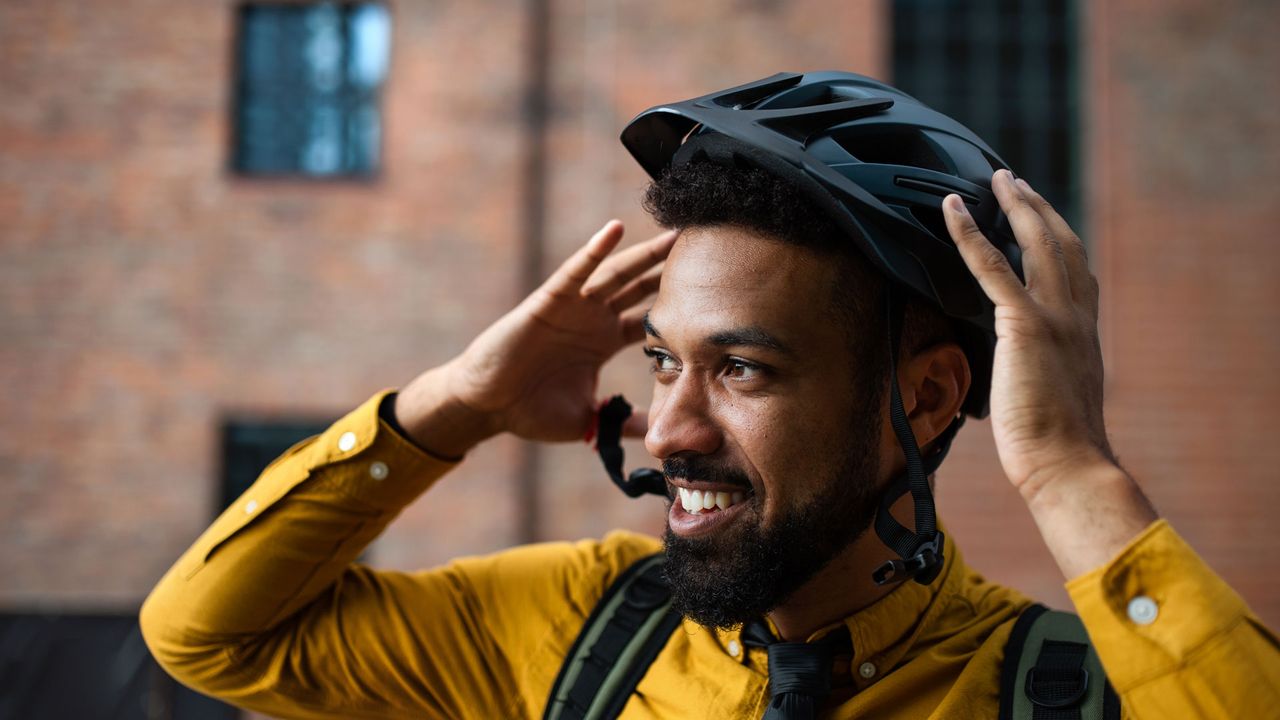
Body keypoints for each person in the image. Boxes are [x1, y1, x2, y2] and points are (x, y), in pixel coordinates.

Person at [141, 72, 1278, 719]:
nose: (669, 431)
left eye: (741, 369)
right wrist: (457, 402)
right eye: (659, 361)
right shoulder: (582, 623)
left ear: (929, 401)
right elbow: (213, 636)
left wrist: (1070, 473)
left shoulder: (1072, 694)